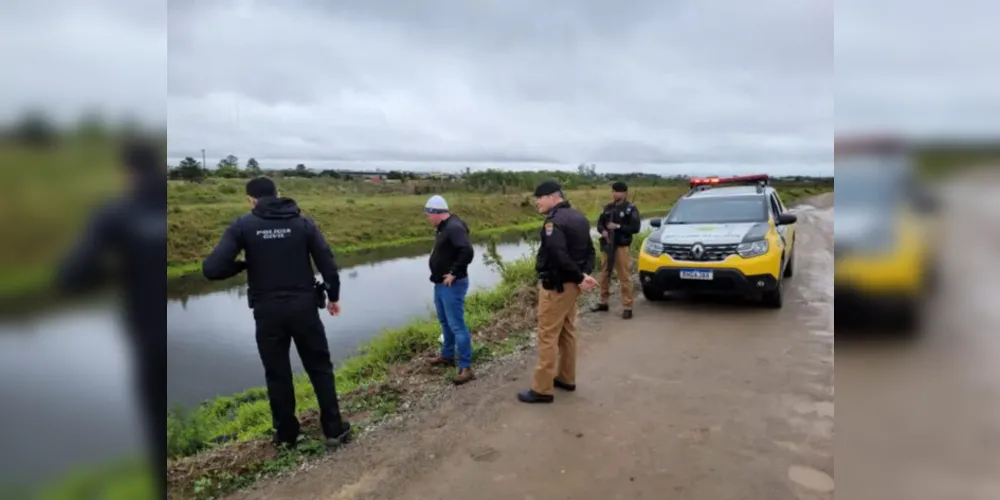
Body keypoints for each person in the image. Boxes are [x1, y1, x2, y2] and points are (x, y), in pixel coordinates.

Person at [202, 177, 351, 449]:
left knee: (277, 373)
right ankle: (333, 429)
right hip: (304, 308)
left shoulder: (243, 226)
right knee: (319, 367)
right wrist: (334, 296)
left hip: (267, 311)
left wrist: (242, 265)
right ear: (278, 194)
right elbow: (327, 263)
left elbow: (212, 269)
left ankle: (286, 436)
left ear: (251, 200)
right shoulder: (303, 223)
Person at [56, 137, 167, 495]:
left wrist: (117, 272)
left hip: (150, 335)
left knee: (156, 426)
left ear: (127, 172)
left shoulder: (117, 212)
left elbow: (71, 277)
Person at [518, 180, 598, 404]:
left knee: (547, 335)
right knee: (567, 332)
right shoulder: (579, 217)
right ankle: (566, 377)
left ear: (553, 197)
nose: (537, 203)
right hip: (572, 287)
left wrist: (580, 277)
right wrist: (583, 275)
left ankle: (542, 389)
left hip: (557, 287)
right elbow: (590, 251)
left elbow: (557, 254)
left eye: (539, 198)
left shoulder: (553, 222)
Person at [423, 195, 477, 385]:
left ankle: (466, 367)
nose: (427, 218)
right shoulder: (444, 226)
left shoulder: (453, 228)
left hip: (452, 285)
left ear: (437, 213)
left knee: (457, 325)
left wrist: (454, 272)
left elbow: (467, 250)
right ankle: (447, 355)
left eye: (428, 214)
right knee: (445, 322)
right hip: (440, 284)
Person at [593, 181, 642, 319]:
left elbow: (635, 228)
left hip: (621, 246)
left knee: (624, 276)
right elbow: (599, 224)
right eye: (613, 191)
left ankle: (627, 306)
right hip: (607, 245)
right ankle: (603, 302)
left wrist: (618, 227)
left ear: (625, 193)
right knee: (604, 274)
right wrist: (603, 231)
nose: (615, 193)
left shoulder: (630, 209)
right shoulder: (608, 208)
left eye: (618, 191)